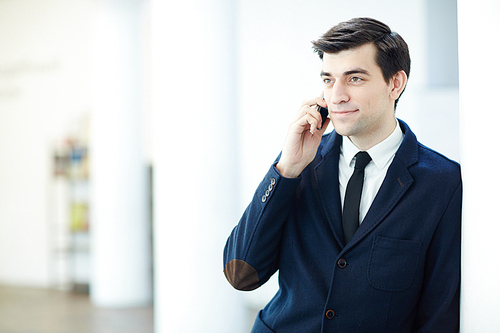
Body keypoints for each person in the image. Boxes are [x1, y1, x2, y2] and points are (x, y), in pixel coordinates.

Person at [223, 17, 461, 332]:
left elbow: (439, 313)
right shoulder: (299, 164)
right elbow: (242, 274)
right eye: (328, 80)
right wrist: (287, 170)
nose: (336, 96)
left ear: (395, 83)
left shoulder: (441, 182)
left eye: (355, 79)